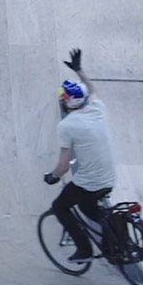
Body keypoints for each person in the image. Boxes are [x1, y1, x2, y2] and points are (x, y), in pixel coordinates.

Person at [43, 48, 117, 263]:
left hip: (90, 183)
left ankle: (83, 249)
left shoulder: (67, 126)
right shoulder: (98, 108)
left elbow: (64, 165)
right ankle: (112, 234)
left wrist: (53, 177)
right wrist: (79, 71)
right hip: (110, 178)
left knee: (60, 207)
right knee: (87, 206)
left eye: (63, 99)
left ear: (68, 103)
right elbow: (92, 90)